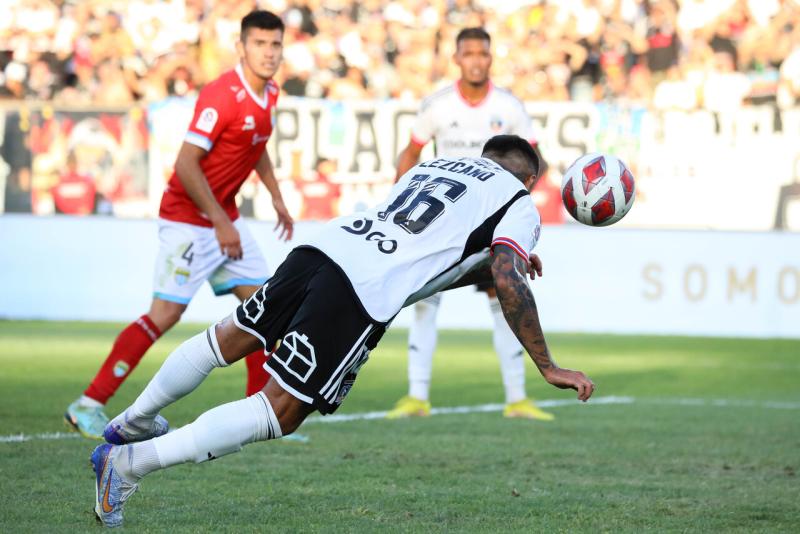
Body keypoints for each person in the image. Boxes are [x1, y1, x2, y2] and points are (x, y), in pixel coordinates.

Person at [89, 135, 596, 527]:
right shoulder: (519, 201)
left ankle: (132, 421)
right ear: (529, 179)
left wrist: (486, 266)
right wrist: (547, 365)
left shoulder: (433, 167)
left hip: (328, 244)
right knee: (281, 410)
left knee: (229, 337)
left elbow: (434, 250)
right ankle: (130, 464)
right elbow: (506, 277)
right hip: (363, 288)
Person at [64, 10, 294, 440]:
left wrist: (276, 196)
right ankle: (88, 403)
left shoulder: (270, 93)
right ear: (241, 47)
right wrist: (221, 221)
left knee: (268, 309)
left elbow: (256, 144)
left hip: (224, 217)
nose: (268, 52)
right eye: (260, 44)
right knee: (165, 315)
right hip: (188, 219)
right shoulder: (221, 95)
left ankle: (259, 415)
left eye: (275, 44)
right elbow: (186, 164)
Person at [387, 27, 554, 421]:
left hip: (491, 224)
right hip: (444, 221)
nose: (476, 60)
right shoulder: (438, 106)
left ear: (490, 58)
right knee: (425, 301)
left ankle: (517, 399)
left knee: (503, 296)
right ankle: (417, 397)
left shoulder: (509, 107)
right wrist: (399, 199)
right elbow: (410, 152)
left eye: (483, 53)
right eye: (469, 53)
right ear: (457, 59)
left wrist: (514, 209)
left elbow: (537, 162)